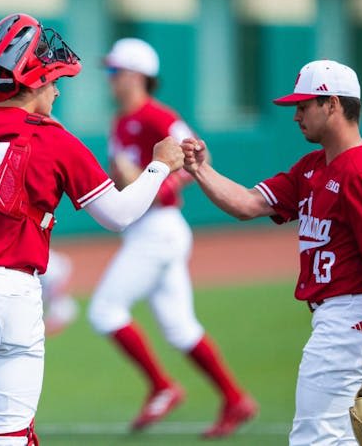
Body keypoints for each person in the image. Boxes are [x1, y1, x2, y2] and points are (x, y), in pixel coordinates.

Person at [0, 13, 185, 446]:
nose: (57, 89)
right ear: (31, 82)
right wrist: (160, 165)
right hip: (11, 296)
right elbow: (119, 215)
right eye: (52, 81)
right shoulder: (54, 139)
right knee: (7, 436)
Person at [181, 59, 362, 445]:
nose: (296, 115)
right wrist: (201, 170)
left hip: (352, 321)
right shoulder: (313, 167)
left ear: (333, 104)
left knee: (313, 438)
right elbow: (249, 204)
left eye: (304, 106)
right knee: (337, 438)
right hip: (341, 321)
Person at [88, 38, 258, 437]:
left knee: (104, 311)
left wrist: (161, 188)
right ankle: (236, 399)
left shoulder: (156, 115)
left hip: (159, 230)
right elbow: (125, 178)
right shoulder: (119, 121)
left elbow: (201, 157)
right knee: (180, 327)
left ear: (136, 75)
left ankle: (162, 387)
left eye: (115, 71)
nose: (110, 79)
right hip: (145, 231)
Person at [0, 70, 79, 337]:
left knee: (14, 249)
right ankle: (58, 291)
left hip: (23, 199)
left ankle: (56, 279)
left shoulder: (42, 122)